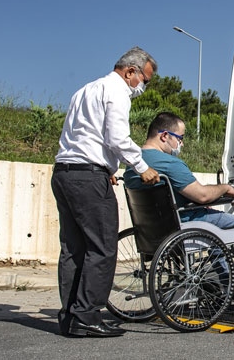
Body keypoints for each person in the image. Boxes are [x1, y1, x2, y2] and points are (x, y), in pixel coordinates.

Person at [51, 46, 160, 338]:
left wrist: (106, 167)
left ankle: (71, 315)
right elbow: (117, 137)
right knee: (102, 247)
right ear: (130, 72)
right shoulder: (117, 92)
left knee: (73, 249)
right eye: (144, 80)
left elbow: (82, 135)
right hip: (87, 178)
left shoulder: (84, 90)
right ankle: (87, 315)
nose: (143, 88)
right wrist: (141, 166)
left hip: (65, 172)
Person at [123, 112, 234, 283]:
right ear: (165, 136)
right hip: (182, 226)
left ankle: (228, 275)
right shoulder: (169, 163)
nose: (181, 144)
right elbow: (203, 195)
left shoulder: (133, 165)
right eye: (180, 138)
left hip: (151, 232)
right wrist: (224, 188)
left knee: (215, 223)